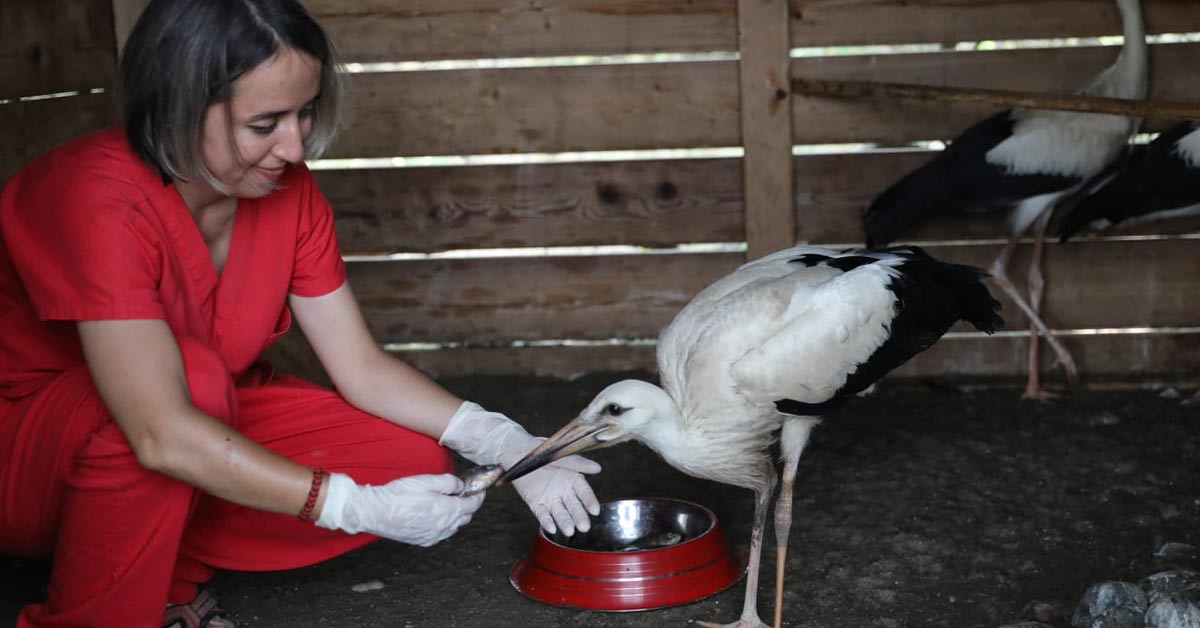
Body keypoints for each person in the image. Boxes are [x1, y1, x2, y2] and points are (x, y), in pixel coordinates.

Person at [0, 1, 601, 626]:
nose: (294, 146)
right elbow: (160, 429)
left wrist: (506, 442)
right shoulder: (96, 195)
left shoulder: (287, 191)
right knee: (197, 384)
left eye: (305, 112)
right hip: (30, 458)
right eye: (264, 124)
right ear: (176, 107)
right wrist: (343, 504)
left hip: (194, 415)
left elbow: (361, 368)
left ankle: (159, 562)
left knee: (410, 466)